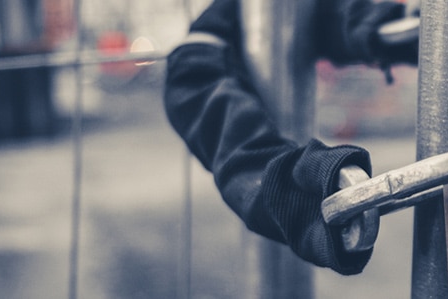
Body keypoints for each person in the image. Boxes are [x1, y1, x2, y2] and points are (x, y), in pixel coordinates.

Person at [163, 0, 416, 275]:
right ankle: (299, 194)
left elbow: (320, 19)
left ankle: (299, 193)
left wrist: (394, 23)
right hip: (207, 53)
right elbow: (196, 76)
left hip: (211, 50)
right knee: (243, 154)